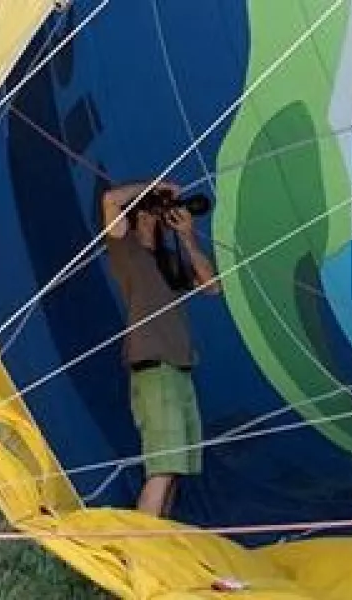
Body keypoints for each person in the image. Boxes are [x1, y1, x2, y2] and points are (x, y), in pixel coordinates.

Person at [102, 180, 220, 518]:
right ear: (138, 213)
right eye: (152, 210)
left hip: (180, 369)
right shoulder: (126, 251)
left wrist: (186, 237)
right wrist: (156, 185)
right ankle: (140, 553)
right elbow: (110, 199)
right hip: (153, 368)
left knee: (175, 470)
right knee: (163, 468)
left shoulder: (170, 261)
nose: (158, 217)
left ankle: (160, 544)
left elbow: (213, 287)